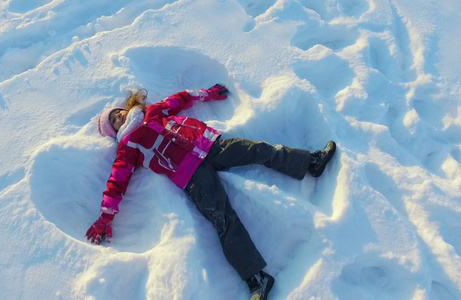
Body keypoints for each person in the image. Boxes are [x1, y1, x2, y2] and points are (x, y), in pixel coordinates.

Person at [86, 84, 336, 300]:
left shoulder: (150, 111)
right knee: (223, 219)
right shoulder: (128, 146)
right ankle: (256, 278)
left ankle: (309, 163)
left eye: (118, 112)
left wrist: (208, 93)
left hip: (209, 144)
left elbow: (180, 98)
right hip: (191, 175)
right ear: (115, 132)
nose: (119, 116)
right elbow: (117, 180)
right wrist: (105, 217)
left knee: (257, 150)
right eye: (114, 120)